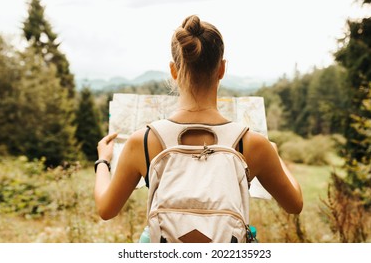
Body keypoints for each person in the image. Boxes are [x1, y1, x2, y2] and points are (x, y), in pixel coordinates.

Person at [94, 15, 303, 224]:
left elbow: (106, 209)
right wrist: (276, 156)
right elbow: (295, 205)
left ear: (173, 71)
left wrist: (103, 160)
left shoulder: (142, 141)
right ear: (222, 69)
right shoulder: (254, 144)